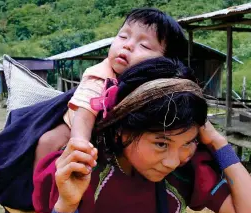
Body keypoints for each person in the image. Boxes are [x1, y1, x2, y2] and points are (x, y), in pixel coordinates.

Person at [32, 59, 251, 213]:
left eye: (188, 143)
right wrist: (66, 205)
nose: (172, 161)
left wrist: (219, 143)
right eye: (161, 144)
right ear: (121, 130)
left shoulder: (187, 172)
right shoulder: (78, 172)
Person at [33, 7, 187, 169]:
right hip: (77, 125)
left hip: (111, 130)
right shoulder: (99, 76)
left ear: (166, 61)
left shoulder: (161, 84)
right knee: (47, 141)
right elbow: (84, 116)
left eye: (144, 46)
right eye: (123, 36)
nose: (127, 45)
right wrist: (79, 147)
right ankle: (37, 189)